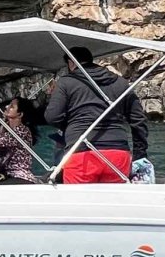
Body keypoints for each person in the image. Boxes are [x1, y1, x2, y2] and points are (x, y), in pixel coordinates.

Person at [44, 46, 149, 184]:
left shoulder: (66, 82)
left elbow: (52, 116)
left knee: (78, 203)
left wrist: (71, 126)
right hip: (118, 152)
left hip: (81, 153)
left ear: (71, 62)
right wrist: (139, 154)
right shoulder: (120, 82)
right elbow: (138, 119)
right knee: (114, 201)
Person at [0, 96, 41, 183]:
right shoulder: (12, 130)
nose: (7, 107)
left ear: (20, 114)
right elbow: (1, 137)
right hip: (8, 173)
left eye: (12, 106)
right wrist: (4, 119)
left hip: (19, 174)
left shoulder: (22, 131)